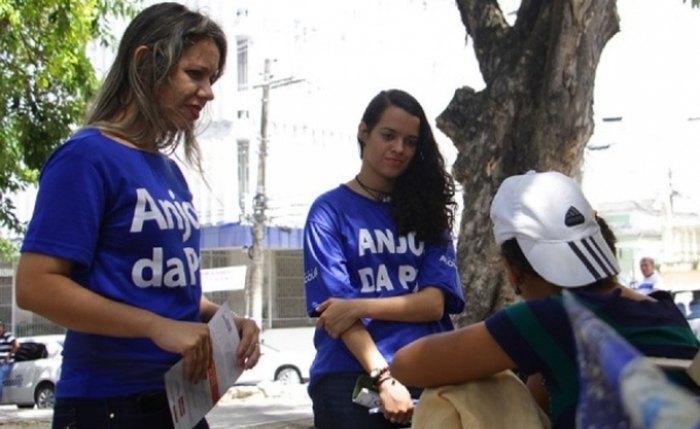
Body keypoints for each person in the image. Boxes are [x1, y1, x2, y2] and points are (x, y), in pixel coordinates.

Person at [15, 3, 260, 428]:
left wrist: (223, 321)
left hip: (181, 403)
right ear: (145, 63)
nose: (209, 92)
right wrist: (154, 326)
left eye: (213, 78)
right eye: (195, 74)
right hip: (108, 405)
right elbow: (36, 287)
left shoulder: (170, 173)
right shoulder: (86, 158)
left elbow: (158, 288)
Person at [390, 171, 700, 429]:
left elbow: (406, 364)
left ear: (513, 270)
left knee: (454, 388)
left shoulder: (553, 317)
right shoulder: (664, 309)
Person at [303, 89, 466, 429]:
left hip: (428, 371)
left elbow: (434, 304)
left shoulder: (429, 213)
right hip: (348, 377)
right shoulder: (329, 211)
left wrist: (362, 306)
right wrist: (383, 377)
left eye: (410, 141)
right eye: (388, 136)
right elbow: (336, 315)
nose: (399, 149)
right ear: (364, 132)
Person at [0, 322, 18, 400]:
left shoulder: (7, 335)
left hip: (6, 363)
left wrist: (9, 356)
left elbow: (16, 345)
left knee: (0, 378)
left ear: (3, 327)